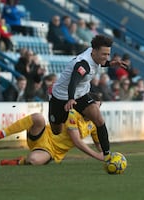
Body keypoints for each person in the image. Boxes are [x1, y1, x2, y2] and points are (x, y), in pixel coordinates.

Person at [48, 34, 128, 162]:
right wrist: (70, 99)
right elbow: (74, 80)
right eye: (104, 54)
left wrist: (110, 63)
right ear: (94, 51)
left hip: (81, 95)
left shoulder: (94, 54)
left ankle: (107, 155)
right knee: (56, 130)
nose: (106, 57)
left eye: (108, 54)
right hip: (61, 97)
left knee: (98, 119)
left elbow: (100, 61)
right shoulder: (83, 64)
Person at [0, 92, 105, 165]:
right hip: (42, 134)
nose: (96, 111)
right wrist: (96, 156)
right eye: (95, 107)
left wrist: (107, 155)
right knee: (38, 118)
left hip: (52, 151)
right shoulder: (73, 114)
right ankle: (0, 134)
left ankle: (19, 161)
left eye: (99, 108)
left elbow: (100, 145)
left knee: (33, 161)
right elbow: (76, 141)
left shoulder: (94, 124)